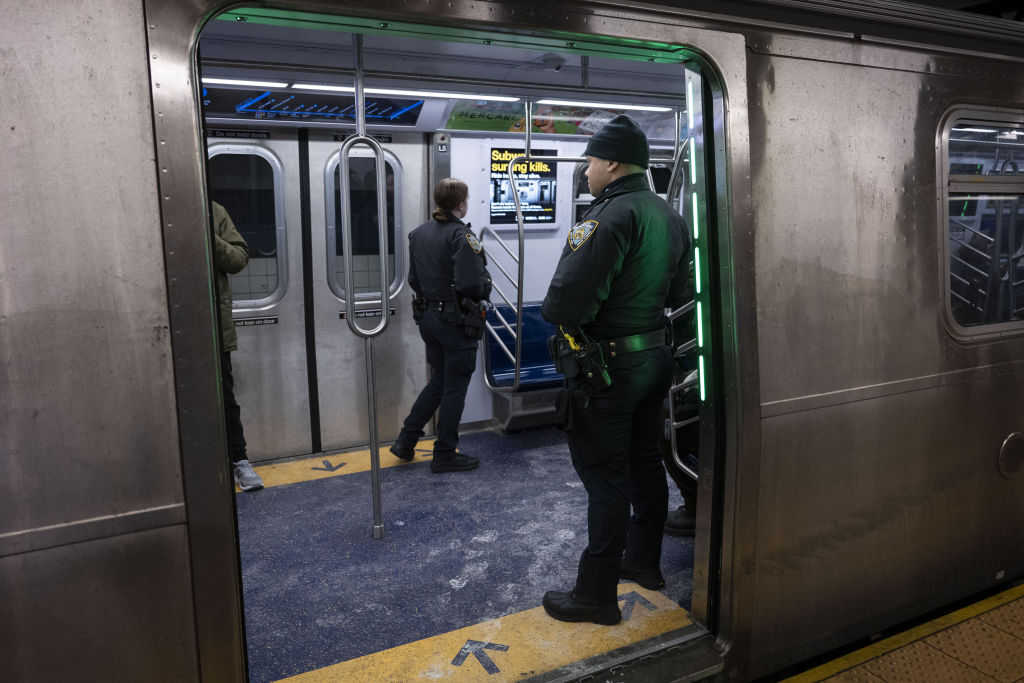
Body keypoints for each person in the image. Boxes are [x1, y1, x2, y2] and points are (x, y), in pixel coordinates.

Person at [540, 115, 691, 625]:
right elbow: (678, 294)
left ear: (611, 162)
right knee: (645, 462)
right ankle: (643, 561)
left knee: (604, 477)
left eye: (589, 161)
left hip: (608, 370)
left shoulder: (605, 218)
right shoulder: (668, 215)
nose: (585, 172)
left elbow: (564, 304)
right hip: (654, 361)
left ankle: (595, 594)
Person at [390, 178, 492, 473]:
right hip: (455, 322)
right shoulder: (463, 236)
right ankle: (444, 453)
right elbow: (472, 283)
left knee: (438, 381)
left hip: (429, 320)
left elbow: (414, 280)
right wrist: (485, 284)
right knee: (454, 389)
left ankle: (406, 441)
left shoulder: (418, 233)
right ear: (461, 204)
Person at [212, 201, 264, 492]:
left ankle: (239, 461)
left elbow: (238, 259)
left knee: (226, 399)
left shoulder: (214, 212)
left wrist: (208, 236)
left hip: (214, 327)